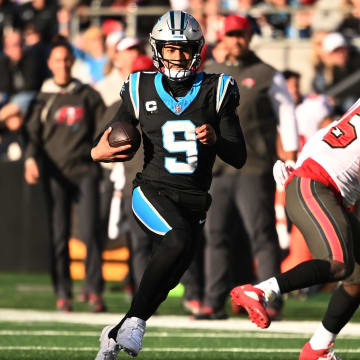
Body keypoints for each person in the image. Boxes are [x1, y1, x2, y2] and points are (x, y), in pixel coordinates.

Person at [91, 10, 246, 359]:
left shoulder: (217, 89)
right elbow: (112, 135)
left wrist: (217, 140)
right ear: (159, 49)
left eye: (185, 49)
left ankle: (117, 333)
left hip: (194, 199)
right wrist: (97, 152)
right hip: (151, 190)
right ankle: (134, 326)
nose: (178, 56)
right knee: (176, 240)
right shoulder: (139, 85)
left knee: (169, 276)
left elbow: (238, 156)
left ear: (198, 50)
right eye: (171, 49)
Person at [231, 98, 360, 360]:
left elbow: (331, 130)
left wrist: (301, 161)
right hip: (316, 186)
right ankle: (260, 291)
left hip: (317, 184)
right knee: (339, 263)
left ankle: (318, 349)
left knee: (357, 277)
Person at [191, 13, 298, 320]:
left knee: (261, 234)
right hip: (217, 169)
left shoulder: (266, 74)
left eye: (242, 34)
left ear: (250, 37)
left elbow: (286, 116)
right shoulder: (208, 73)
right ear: (222, 38)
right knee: (216, 234)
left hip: (254, 167)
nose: (237, 40)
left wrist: (289, 159)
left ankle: (270, 300)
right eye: (232, 34)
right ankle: (213, 301)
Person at [24, 37, 107, 313]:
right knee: (58, 236)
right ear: (50, 63)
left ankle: (94, 291)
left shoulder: (87, 95)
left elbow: (102, 131)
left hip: (85, 172)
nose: (62, 64)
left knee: (91, 233)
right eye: (57, 59)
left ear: (73, 61)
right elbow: (32, 136)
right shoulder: (42, 98)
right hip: (54, 175)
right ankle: (63, 292)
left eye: (66, 59)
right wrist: (30, 160)